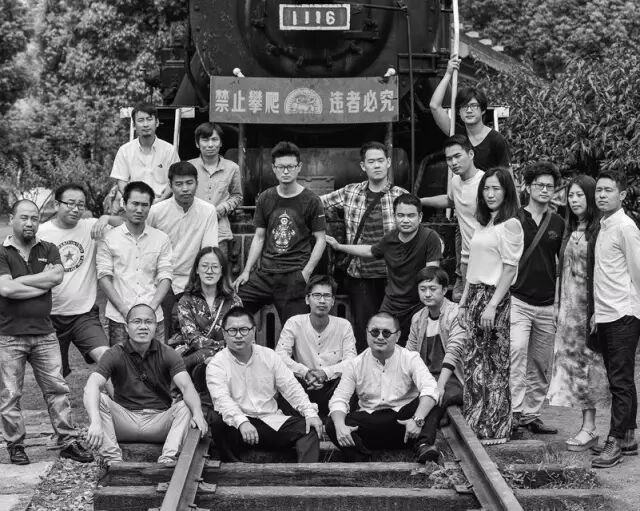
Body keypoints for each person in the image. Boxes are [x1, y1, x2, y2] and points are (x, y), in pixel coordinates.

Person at [0, 200, 93, 465]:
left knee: (57, 389)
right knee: (10, 395)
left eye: (35, 218)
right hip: (9, 336)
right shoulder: (2, 253)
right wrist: (39, 283)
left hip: (44, 333)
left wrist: (19, 283)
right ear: (12, 219)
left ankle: (68, 441)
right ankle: (16, 446)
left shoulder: (49, 248)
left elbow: (56, 278)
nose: (30, 223)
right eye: (24, 218)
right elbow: (6, 289)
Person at [83, 303, 208, 466]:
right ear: (127, 327)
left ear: (155, 326)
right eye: (137, 321)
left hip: (159, 421)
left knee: (186, 406)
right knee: (98, 398)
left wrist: (198, 413)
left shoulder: (167, 353)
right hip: (125, 419)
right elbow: (92, 385)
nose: (143, 326)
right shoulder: (114, 353)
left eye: (148, 322)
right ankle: (113, 461)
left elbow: (186, 386)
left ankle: (167, 459)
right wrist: (95, 421)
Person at [321, 141, 408, 351]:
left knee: (394, 330)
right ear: (363, 166)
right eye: (371, 161)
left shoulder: (401, 196)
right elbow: (314, 203)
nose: (376, 165)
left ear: (388, 162)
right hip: (360, 275)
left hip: (392, 276)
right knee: (365, 330)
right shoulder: (350, 192)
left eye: (380, 160)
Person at [206, 307, 324, 462]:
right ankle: (232, 464)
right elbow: (222, 400)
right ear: (224, 333)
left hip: (270, 422)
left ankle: (307, 473)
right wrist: (242, 422)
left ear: (254, 330)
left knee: (310, 427)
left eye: (244, 330)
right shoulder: (217, 364)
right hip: (237, 427)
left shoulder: (269, 356)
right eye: (232, 330)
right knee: (216, 419)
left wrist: (310, 413)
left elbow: (291, 387)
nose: (239, 335)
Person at [458, 167, 523, 444]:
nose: (490, 194)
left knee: (495, 362)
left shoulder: (511, 225)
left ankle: (495, 427)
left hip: (494, 297)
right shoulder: (484, 224)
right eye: (486, 188)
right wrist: (463, 302)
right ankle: (475, 422)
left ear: (507, 192)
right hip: (475, 295)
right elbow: (472, 268)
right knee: (474, 361)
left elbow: (509, 268)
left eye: (496, 188)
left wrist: (492, 305)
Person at [234, 142, 326, 334]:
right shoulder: (265, 198)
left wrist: (306, 273)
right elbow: (259, 237)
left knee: (295, 333)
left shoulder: (311, 200)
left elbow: (320, 240)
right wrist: (247, 271)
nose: (286, 171)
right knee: (235, 306)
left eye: (290, 166)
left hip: (294, 275)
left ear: (299, 167)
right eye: (281, 167)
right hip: (265, 274)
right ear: (273, 168)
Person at [326, 193, 442, 345]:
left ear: (420, 217)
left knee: (416, 346)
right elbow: (370, 251)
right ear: (394, 216)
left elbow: (431, 274)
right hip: (392, 302)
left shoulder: (430, 238)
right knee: (380, 338)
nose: (405, 220)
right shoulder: (390, 238)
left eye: (411, 216)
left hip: (418, 303)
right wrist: (339, 246)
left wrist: (428, 306)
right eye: (401, 215)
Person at [547, 175, 609, 451]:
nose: (574, 200)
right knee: (573, 369)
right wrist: (557, 304)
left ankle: (591, 428)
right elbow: (561, 270)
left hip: (590, 310)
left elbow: (603, 273)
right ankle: (587, 426)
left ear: (591, 196)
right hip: (569, 313)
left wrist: (598, 310)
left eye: (579, 195)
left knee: (590, 368)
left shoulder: (600, 230)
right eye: (570, 195)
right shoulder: (570, 229)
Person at [326, 312, 439, 463]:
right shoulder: (355, 364)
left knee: (431, 401)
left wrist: (417, 419)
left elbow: (430, 388)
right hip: (371, 424)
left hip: (405, 423)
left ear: (397, 336)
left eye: (386, 333)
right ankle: (362, 458)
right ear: (367, 333)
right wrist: (340, 425)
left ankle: (423, 445)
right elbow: (339, 399)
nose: (380, 337)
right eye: (374, 332)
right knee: (333, 423)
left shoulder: (410, 358)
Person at [509, 161, 564, 434]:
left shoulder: (559, 223)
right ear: (528, 187)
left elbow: (562, 264)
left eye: (549, 186)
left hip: (546, 303)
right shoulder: (515, 218)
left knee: (542, 362)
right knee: (517, 353)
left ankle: (531, 414)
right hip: (518, 299)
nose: (544, 190)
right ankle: (514, 413)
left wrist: (558, 302)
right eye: (539, 185)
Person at [38, 183, 115, 376]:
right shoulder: (40, 233)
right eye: (70, 203)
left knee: (107, 359)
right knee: (55, 373)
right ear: (56, 205)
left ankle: (120, 398)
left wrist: (106, 217)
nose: (75, 209)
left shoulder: (91, 227)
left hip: (84, 314)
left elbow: (127, 224)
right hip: (49, 316)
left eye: (80, 205)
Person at [590, 171, 640, 468]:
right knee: (619, 379)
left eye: (608, 190)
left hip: (624, 313)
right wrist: (597, 312)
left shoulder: (625, 227)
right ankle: (629, 436)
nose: (601, 195)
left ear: (621, 195)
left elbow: (638, 271)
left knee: (620, 381)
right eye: (599, 190)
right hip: (607, 313)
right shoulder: (604, 225)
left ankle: (616, 440)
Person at [146, 161, 219, 338]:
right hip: (160, 279)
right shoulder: (156, 211)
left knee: (193, 330)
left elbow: (209, 251)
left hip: (192, 280)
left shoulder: (208, 211)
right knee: (162, 328)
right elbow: (146, 246)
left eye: (189, 183)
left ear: (197, 183)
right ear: (170, 185)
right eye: (179, 184)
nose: (185, 189)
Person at [96, 181, 173, 346]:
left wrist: (150, 310)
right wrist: (125, 311)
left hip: (154, 316)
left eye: (144, 205)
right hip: (119, 316)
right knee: (121, 361)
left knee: (157, 361)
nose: (139, 209)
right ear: (124, 204)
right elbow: (103, 277)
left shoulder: (161, 239)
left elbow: (165, 276)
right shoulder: (109, 238)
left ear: (150, 207)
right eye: (135, 204)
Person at [275, 275, 357, 415]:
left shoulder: (344, 325)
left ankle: (338, 418)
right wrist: (305, 372)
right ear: (307, 299)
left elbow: (351, 361)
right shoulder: (294, 323)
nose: (322, 301)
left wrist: (325, 373)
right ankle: (296, 421)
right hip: (303, 384)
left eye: (327, 296)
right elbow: (280, 355)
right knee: (286, 377)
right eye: (317, 295)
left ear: (333, 301)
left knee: (351, 377)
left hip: (333, 385)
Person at [406, 267, 465, 459]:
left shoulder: (455, 313)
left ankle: (424, 443)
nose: (427, 294)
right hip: (427, 376)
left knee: (435, 397)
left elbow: (454, 351)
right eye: (422, 289)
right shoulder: (418, 318)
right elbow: (409, 353)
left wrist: (439, 386)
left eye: (433, 289)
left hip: (453, 378)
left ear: (444, 289)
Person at [420, 135, 483, 301]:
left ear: (471, 154)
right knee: (465, 304)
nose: (453, 162)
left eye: (457, 156)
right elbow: (451, 201)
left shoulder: (485, 183)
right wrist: (419, 201)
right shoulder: (455, 181)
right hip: (466, 258)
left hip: (485, 258)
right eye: (449, 159)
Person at [175, 246, 242, 397]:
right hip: (195, 357)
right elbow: (192, 338)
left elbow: (240, 333)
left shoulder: (234, 301)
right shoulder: (186, 301)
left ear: (222, 271)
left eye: (214, 267)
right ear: (197, 270)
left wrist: (221, 353)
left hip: (230, 356)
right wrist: (220, 348)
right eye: (204, 266)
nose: (209, 271)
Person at [430, 57, 510, 170]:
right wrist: (448, 74)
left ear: (483, 110)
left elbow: (507, 176)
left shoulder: (496, 140)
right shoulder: (456, 133)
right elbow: (434, 106)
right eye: (464, 107)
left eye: (473, 106)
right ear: (458, 112)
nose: (468, 110)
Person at [188, 122, 243, 258]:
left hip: (220, 231)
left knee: (218, 267)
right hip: (191, 230)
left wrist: (223, 208)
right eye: (205, 140)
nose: (210, 144)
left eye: (214, 139)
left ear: (221, 143)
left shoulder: (232, 168)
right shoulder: (189, 167)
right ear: (197, 143)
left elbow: (237, 196)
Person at [110, 102, 179, 202]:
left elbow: (175, 180)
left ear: (157, 122)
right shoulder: (124, 151)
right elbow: (122, 182)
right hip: (134, 204)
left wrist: (161, 199)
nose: (145, 124)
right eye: (141, 120)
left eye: (149, 119)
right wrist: (134, 201)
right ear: (134, 125)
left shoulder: (169, 150)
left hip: (162, 203)